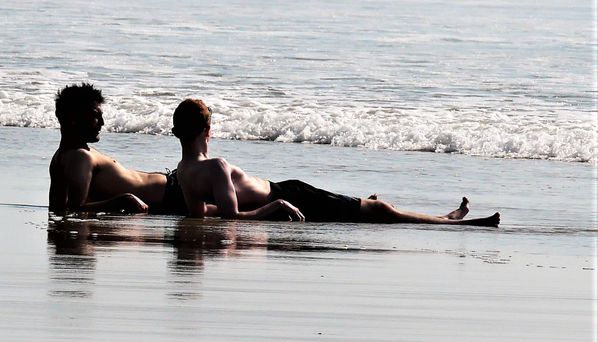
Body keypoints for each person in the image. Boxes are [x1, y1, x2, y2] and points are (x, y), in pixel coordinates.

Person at [172, 98, 501, 226]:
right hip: (288, 194)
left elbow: (200, 214)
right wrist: (275, 207)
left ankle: (441, 217)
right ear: (207, 130)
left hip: (286, 195)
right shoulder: (215, 166)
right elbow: (232, 218)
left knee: (361, 208)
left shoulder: (184, 172)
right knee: (379, 211)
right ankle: (452, 222)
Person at [49, 83, 187, 215]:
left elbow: (58, 207)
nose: (102, 123)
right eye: (95, 115)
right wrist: (123, 201)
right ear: (73, 118)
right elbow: (74, 208)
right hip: (173, 195)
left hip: (174, 184)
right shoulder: (79, 157)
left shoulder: (62, 156)